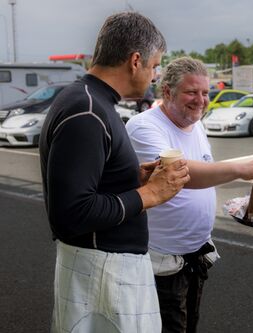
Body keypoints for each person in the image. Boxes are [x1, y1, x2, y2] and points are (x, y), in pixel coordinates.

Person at [39, 12, 190, 333]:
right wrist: (149, 194)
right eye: (154, 65)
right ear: (136, 60)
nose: (154, 75)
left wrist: (132, 177)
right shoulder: (87, 110)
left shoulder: (88, 100)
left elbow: (90, 182)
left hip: (100, 270)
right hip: (102, 274)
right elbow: (71, 212)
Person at [126, 56, 253, 333]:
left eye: (205, 92)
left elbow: (206, 170)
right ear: (168, 91)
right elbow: (180, 173)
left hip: (194, 255)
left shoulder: (196, 125)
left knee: (188, 324)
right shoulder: (144, 126)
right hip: (161, 262)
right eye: (192, 92)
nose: (201, 100)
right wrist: (239, 168)